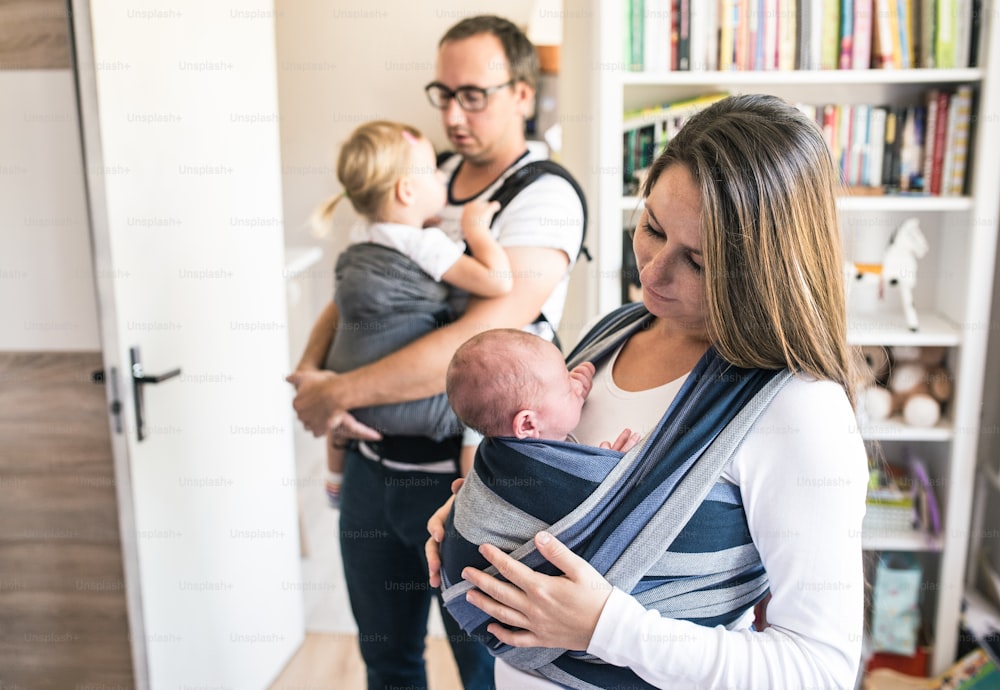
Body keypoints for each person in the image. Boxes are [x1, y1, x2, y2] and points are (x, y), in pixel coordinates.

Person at [426, 93, 870, 689]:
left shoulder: (798, 410)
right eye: (652, 228)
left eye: (700, 261)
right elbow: (552, 482)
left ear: (766, 267)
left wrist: (607, 627)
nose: (653, 273)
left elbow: (819, 671)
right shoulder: (614, 332)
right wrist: (478, 517)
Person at [287, 14, 585, 690]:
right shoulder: (426, 176)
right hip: (372, 470)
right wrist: (315, 370)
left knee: (487, 670)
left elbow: (473, 341)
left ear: (523, 94)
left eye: (473, 94)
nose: (454, 113)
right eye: (443, 93)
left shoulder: (544, 197)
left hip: (467, 480)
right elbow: (357, 283)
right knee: (387, 661)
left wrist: (338, 393)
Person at [312, 120, 512, 508]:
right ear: (406, 191)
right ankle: (473, 501)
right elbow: (498, 282)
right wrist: (476, 231)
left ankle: (333, 480)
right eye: (434, 171)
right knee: (486, 403)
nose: (443, 176)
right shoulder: (425, 244)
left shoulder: (364, 235)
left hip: (348, 390)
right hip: (408, 411)